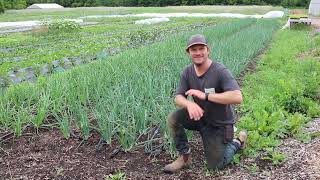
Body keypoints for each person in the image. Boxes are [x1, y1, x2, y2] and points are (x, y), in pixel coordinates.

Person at [163, 34, 247, 173]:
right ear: (188, 52)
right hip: (200, 118)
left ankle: (238, 141)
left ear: (208, 50)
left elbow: (237, 97)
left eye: (201, 48)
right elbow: (178, 97)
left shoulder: (220, 71)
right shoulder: (187, 72)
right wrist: (189, 104)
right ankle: (184, 158)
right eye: (193, 49)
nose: (198, 53)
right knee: (173, 118)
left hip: (219, 124)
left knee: (215, 166)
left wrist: (206, 96)